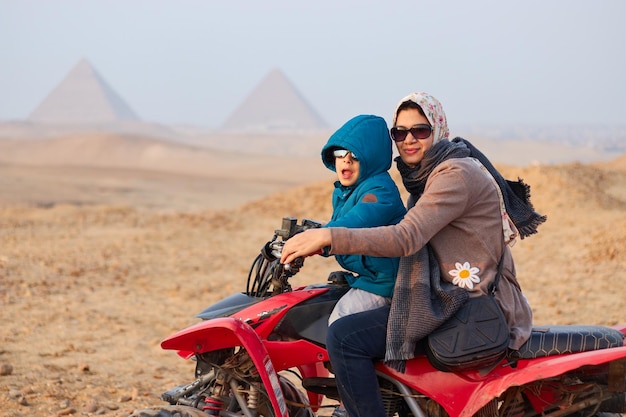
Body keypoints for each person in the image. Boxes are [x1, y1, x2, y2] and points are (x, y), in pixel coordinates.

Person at [280, 92, 546, 417]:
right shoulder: (429, 176)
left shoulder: (454, 176)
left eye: (420, 131)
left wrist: (328, 237)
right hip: (448, 295)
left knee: (345, 336)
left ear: (437, 129)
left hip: (470, 305)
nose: (409, 140)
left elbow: (406, 238)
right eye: (400, 133)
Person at [317, 114, 406, 325]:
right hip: (369, 279)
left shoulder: (379, 190)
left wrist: (321, 238)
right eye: (340, 152)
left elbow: (357, 221)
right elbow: (342, 221)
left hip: (387, 285)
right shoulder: (346, 191)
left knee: (339, 323)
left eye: (355, 155)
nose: (346, 159)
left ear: (372, 158)